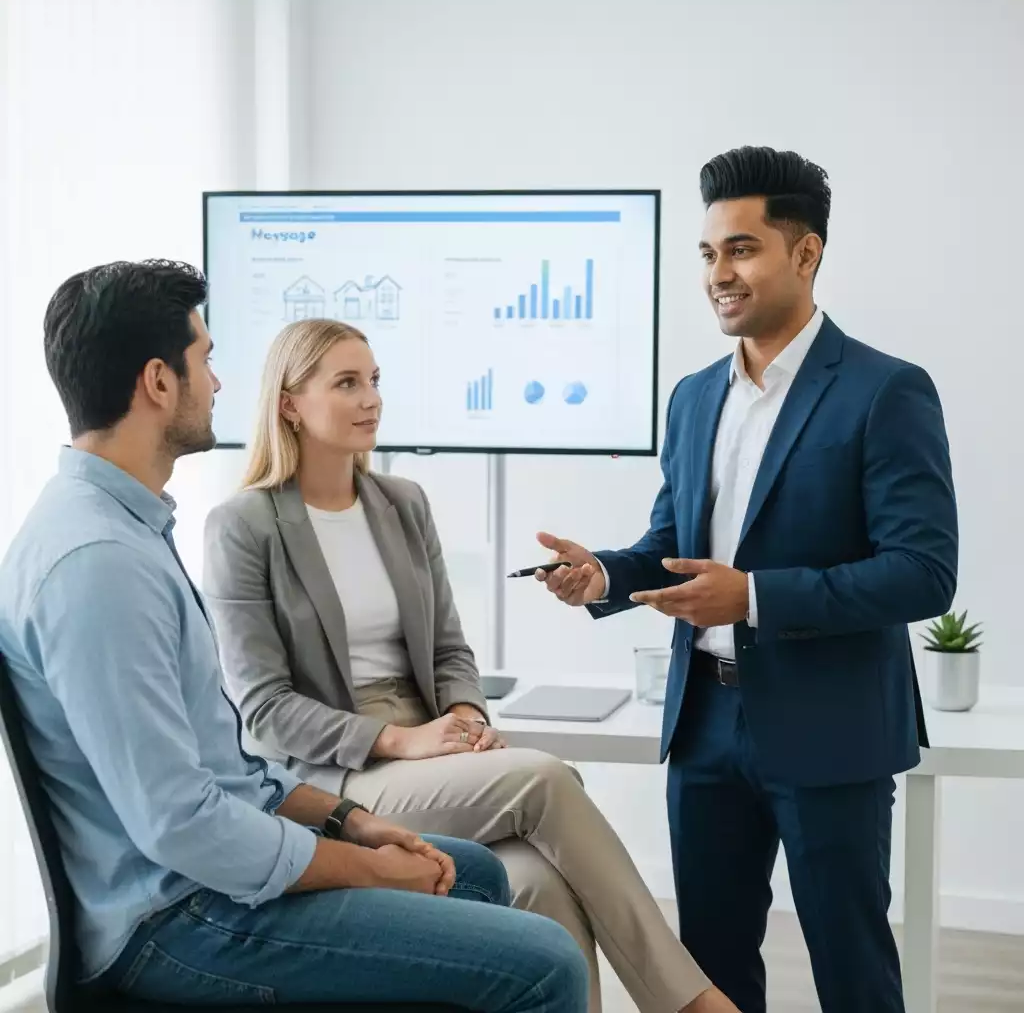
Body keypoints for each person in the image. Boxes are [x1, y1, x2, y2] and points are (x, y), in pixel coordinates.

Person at [0, 260, 590, 1012]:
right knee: (545, 963)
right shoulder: (98, 564)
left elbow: (226, 769)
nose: (218, 383)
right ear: (158, 382)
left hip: (203, 880)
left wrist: (354, 823)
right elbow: (183, 825)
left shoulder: (126, 528)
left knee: (475, 873)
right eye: (205, 360)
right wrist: (365, 866)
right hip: (179, 919)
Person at [203, 318, 740, 1013]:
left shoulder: (402, 504)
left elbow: (449, 648)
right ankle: (691, 1001)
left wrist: (465, 715)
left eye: (374, 380)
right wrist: (401, 740)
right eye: (346, 383)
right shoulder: (243, 526)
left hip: (433, 746)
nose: (371, 398)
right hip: (335, 771)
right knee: (546, 778)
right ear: (289, 404)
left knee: (539, 885)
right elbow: (264, 709)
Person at [535, 146, 958, 1013]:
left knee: (852, 966)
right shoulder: (694, 396)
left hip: (830, 724)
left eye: (740, 249)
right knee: (711, 966)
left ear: (805, 253)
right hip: (704, 725)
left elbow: (923, 573)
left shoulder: (885, 391)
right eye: (707, 253)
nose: (718, 274)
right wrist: (603, 574)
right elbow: (674, 544)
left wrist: (755, 598)